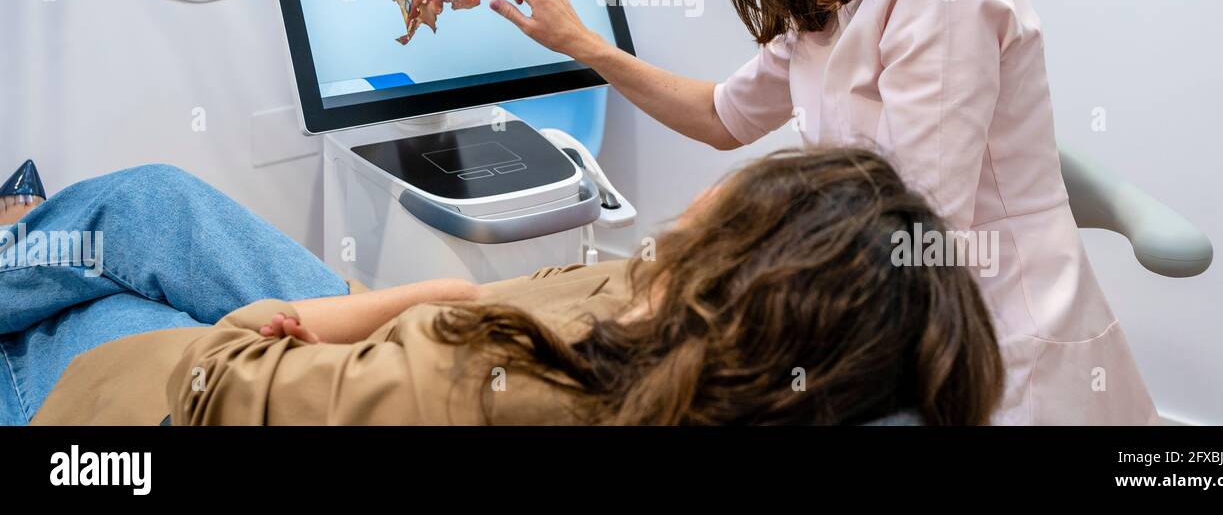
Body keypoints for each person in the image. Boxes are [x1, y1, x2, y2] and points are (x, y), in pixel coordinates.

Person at [474, 0, 1156, 424]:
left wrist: (732, 257)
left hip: (990, 333)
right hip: (888, 308)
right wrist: (586, 44)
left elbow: (921, 223)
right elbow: (721, 118)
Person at [1, 151, 1003, 426]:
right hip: (376, 341)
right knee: (150, 205)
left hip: (266, 375)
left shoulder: (489, 385)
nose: (713, 188)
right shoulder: (694, 338)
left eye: (740, 195)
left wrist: (404, 302)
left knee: (100, 301)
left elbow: (219, 376)